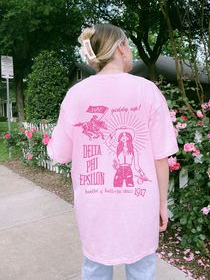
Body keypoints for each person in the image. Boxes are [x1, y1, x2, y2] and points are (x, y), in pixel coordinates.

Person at [47, 23, 178, 280]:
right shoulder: (148, 91)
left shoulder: (76, 95)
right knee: (142, 270)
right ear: (121, 48)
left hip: (94, 205)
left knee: (95, 268)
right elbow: (160, 158)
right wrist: (162, 204)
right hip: (140, 207)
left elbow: (60, 153)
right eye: (128, 44)